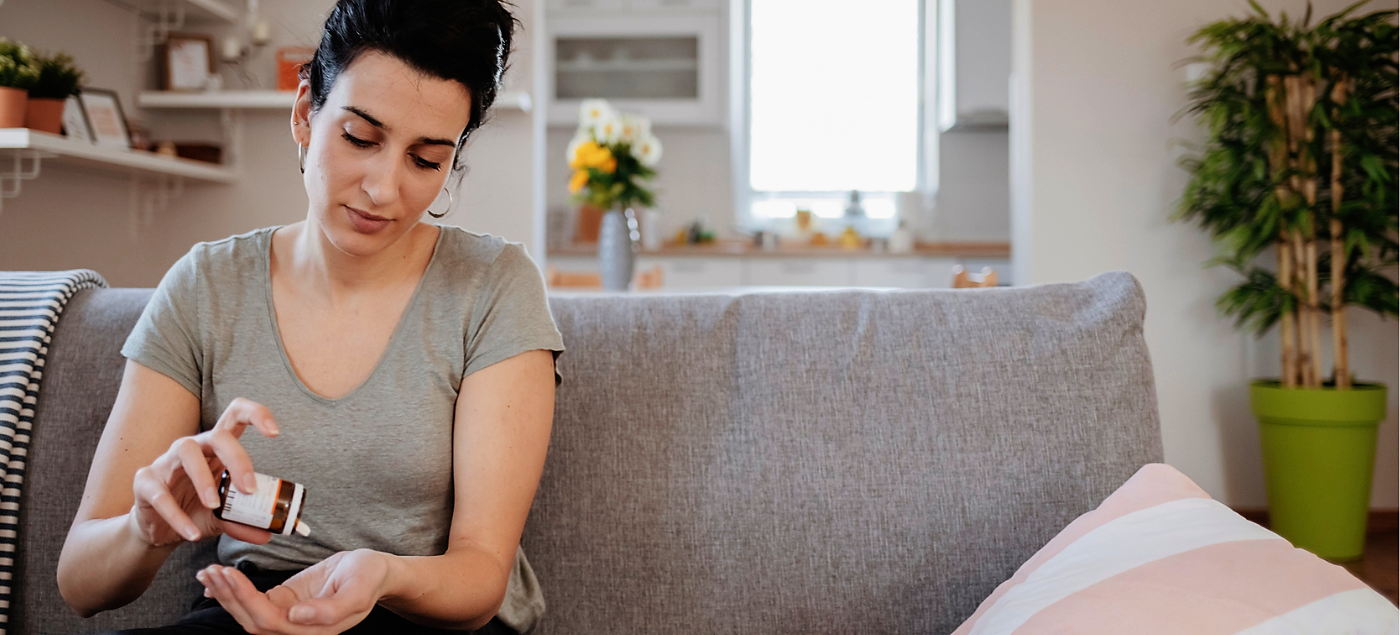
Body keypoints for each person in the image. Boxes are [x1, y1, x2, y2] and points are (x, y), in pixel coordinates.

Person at [55, 1, 564, 633]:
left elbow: (481, 575)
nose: (384, 187)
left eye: (426, 159)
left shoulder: (494, 287)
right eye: (360, 138)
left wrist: (379, 574)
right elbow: (80, 585)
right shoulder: (207, 286)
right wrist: (145, 527)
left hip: (416, 608)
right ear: (305, 113)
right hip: (245, 612)